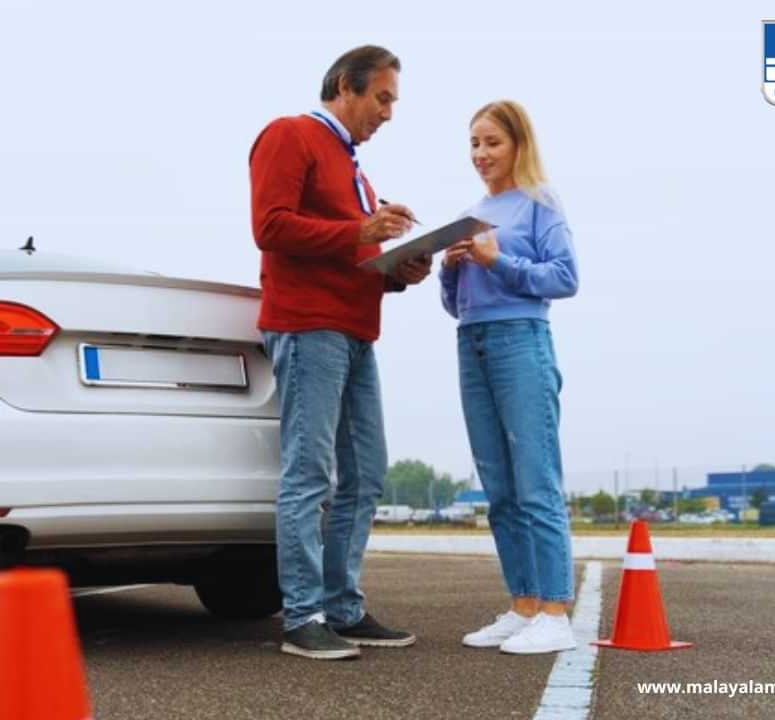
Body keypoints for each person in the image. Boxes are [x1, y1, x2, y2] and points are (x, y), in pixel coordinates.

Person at [248, 45, 429, 661]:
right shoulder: (290, 135)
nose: (387, 113)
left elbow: (350, 253)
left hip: (354, 331)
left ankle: (342, 608)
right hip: (307, 328)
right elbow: (270, 227)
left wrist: (400, 268)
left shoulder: (357, 172)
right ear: (346, 87)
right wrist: (362, 230)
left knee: (366, 474)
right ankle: (303, 617)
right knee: (309, 474)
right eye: (382, 98)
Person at [440, 99, 580, 654]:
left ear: (519, 144)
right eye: (473, 143)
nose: (480, 154)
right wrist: (450, 270)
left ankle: (554, 610)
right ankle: (523, 604)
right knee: (498, 488)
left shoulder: (540, 202)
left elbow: (566, 278)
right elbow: (457, 307)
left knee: (534, 480)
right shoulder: (472, 210)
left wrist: (498, 261)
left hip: (521, 341)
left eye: (491, 142)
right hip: (470, 341)